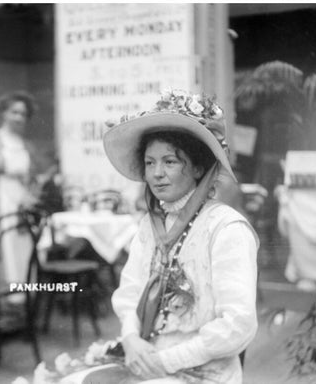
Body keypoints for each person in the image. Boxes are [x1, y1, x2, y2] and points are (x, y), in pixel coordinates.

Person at [101, 90, 259, 383]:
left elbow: (238, 324)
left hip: (202, 369)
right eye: (150, 163)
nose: (157, 174)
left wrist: (165, 361)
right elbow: (130, 291)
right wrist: (131, 340)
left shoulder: (226, 228)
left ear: (198, 167)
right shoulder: (150, 225)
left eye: (170, 162)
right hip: (144, 355)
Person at [0, 91, 40, 296]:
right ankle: (6, 303)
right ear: (4, 113)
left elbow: (33, 176)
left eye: (23, 114)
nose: (18, 117)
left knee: (22, 247)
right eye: (14, 112)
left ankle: (23, 302)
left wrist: (30, 196)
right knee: (2, 247)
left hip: (21, 199)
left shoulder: (26, 144)